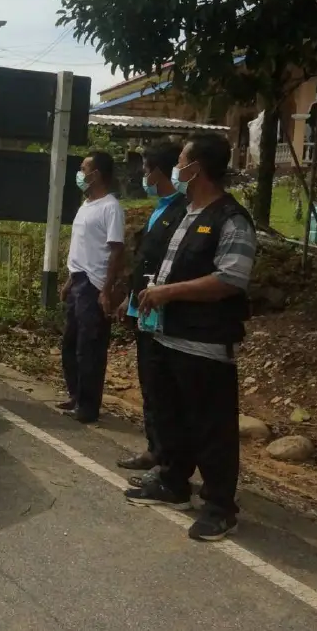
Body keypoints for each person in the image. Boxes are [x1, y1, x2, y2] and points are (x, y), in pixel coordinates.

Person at [124, 133, 256, 542]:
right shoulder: (184, 211)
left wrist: (168, 292)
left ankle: (219, 506)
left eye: (182, 160)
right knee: (170, 417)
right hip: (165, 334)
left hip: (204, 341)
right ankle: (173, 482)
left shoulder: (231, 219)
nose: (177, 168)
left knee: (210, 426)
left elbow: (230, 279)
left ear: (196, 168)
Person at [113, 140, 188, 481]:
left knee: (162, 387)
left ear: (159, 171)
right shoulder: (160, 208)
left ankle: (168, 458)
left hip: (166, 315)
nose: (143, 175)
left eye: (145, 169)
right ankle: (154, 448)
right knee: (148, 382)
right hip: (143, 309)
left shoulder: (184, 211)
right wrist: (128, 301)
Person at [60, 152, 125, 424]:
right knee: (71, 343)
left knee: (90, 347)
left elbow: (117, 250)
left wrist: (106, 289)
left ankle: (88, 406)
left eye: (84, 168)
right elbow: (81, 248)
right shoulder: (85, 205)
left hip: (94, 283)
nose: (80, 173)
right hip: (78, 279)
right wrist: (68, 281)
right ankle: (76, 394)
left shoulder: (111, 207)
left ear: (96, 174)